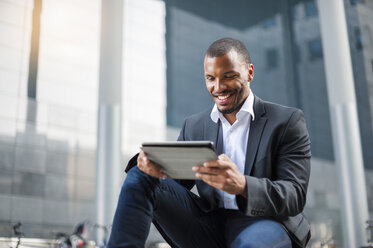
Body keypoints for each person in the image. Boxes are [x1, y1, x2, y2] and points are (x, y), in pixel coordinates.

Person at [108, 37, 311, 248]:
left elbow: (294, 194)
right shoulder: (194, 126)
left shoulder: (286, 121)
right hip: (207, 223)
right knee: (141, 175)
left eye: (228, 77)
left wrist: (243, 185)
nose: (218, 87)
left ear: (250, 72)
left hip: (263, 221)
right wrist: (156, 168)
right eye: (210, 78)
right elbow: (173, 187)